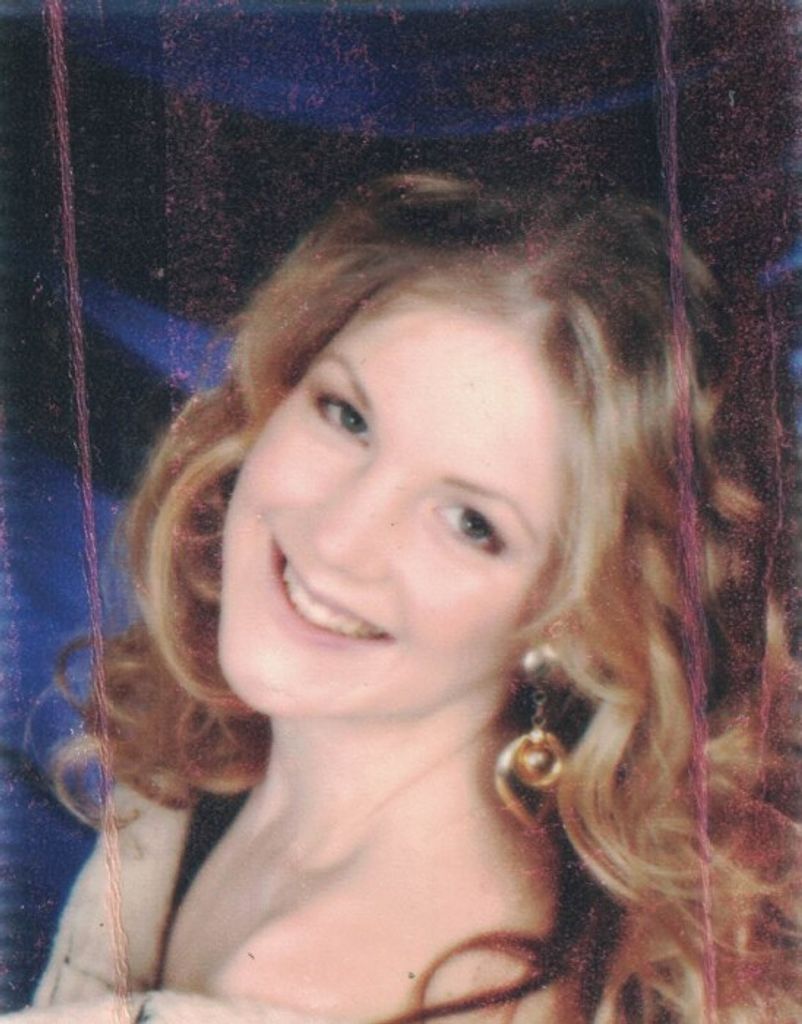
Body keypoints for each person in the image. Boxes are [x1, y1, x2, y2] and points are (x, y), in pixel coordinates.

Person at [21, 174, 801, 1022]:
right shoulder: (217, 770)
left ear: (576, 618)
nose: (340, 536)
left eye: (471, 523)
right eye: (347, 416)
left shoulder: (315, 990)